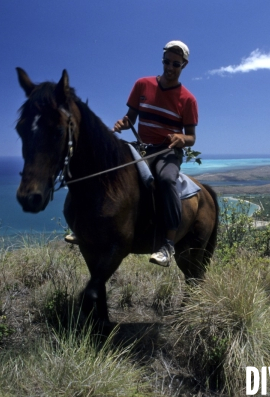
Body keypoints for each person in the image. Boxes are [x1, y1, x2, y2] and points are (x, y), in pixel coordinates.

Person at [111, 40, 198, 267]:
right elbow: (131, 117)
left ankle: (168, 244)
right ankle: (91, 226)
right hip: (141, 147)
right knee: (110, 169)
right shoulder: (142, 85)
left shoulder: (188, 100)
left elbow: (191, 137)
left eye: (176, 64)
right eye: (167, 62)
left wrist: (182, 139)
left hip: (167, 152)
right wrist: (124, 123)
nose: (170, 67)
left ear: (184, 66)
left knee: (166, 179)